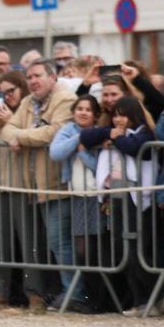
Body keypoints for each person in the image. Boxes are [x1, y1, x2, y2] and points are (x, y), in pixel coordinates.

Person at [0, 62, 72, 311]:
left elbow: (50, 133)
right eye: (2, 91)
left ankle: (37, 294)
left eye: (11, 91)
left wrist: (19, 134)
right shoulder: (18, 108)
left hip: (28, 184)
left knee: (33, 245)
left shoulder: (47, 103)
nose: (6, 96)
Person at [81, 97, 158, 316]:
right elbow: (86, 136)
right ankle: (139, 299)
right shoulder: (112, 131)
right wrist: (110, 134)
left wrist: (116, 139)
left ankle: (153, 293)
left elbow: (134, 148)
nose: (118, 119)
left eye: (122, 114)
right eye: (115, 114)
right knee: (120, 247)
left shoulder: (145, 133)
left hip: (136, 198)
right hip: (115, 197)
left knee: (135, 249)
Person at [47, 95, 104, 313]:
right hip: (77, 196)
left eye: (88, 110)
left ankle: (96, 299)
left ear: (95, 115)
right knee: (81, 250)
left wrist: (82, 149)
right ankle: (83, 296)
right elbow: (56, 152)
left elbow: (97, 165)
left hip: (96, 196)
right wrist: (81, 138)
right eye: (79, 108)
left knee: (94, 249)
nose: (82, 112)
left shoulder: (102, 132)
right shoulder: (70, 130)